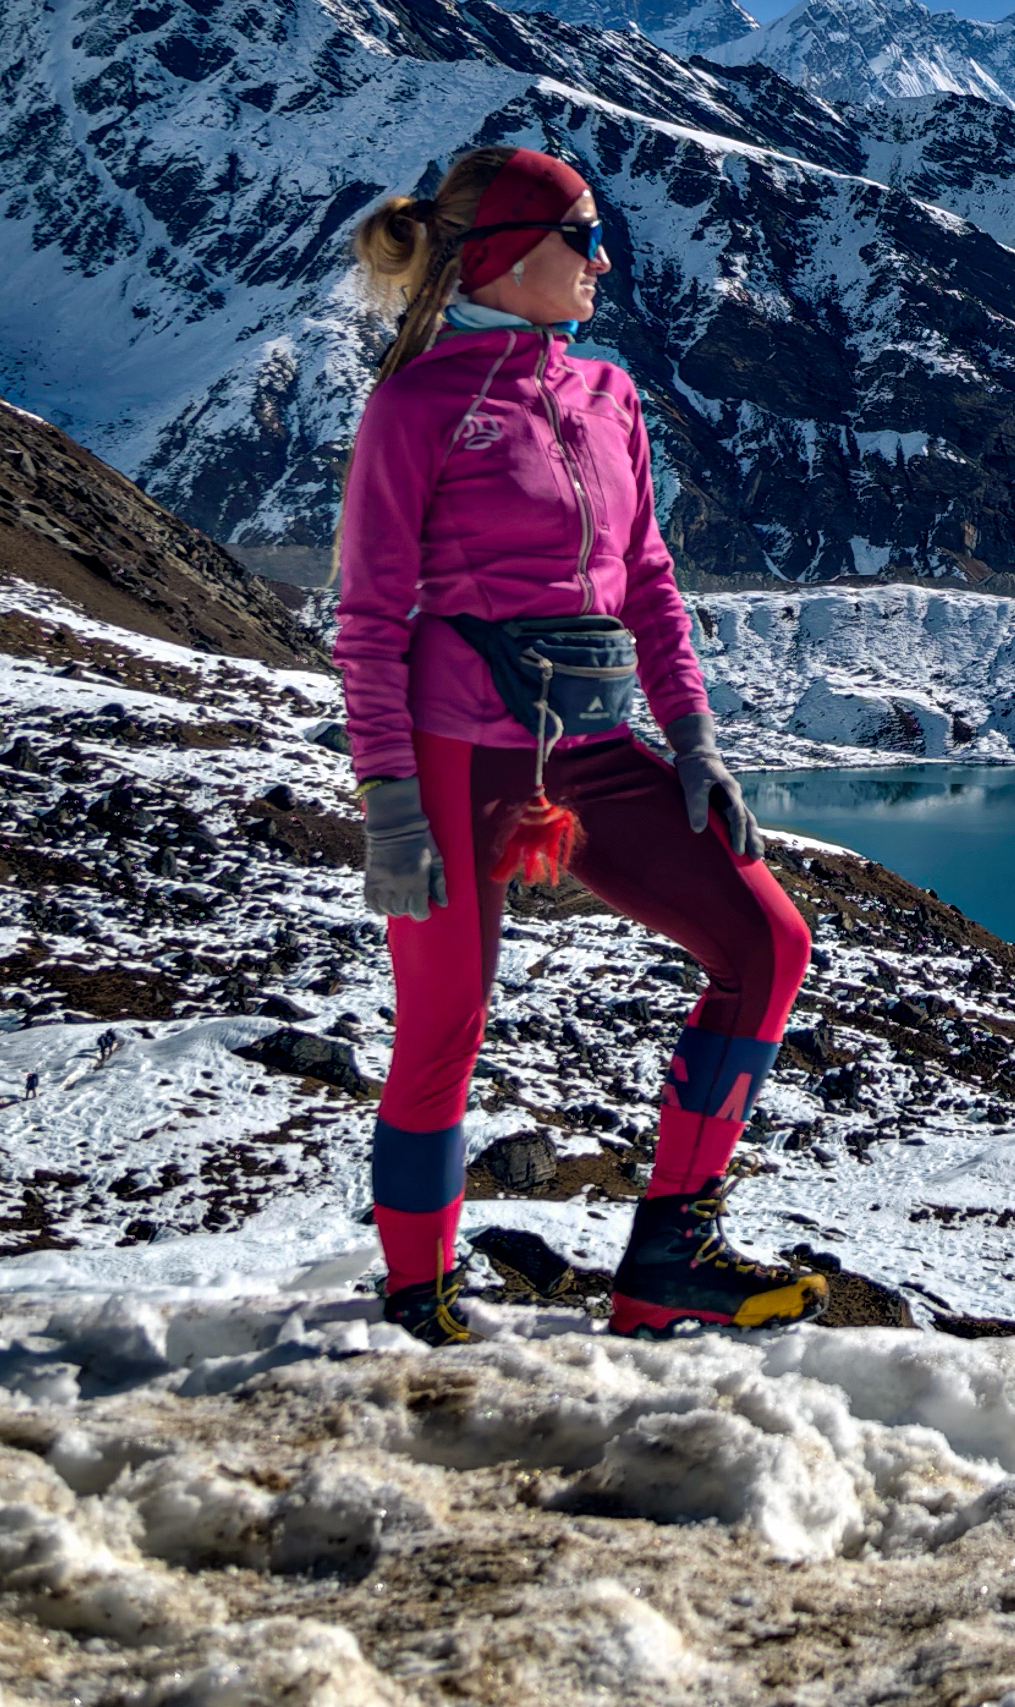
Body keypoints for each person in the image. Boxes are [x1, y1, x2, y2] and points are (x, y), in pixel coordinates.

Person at [335, 143, 820, 1344]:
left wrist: (694, 741)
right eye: (585, 235)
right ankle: (418, 1298)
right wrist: (389, 801)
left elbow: (647, 578)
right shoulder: (415, 406)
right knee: (445, 1024)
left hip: (594, 748)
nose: (605, 257)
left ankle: (669, 1260)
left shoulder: (608, 395)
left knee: (767, 943)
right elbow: (370, 620)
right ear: (508, 254)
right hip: (458, 752)